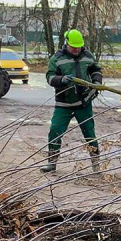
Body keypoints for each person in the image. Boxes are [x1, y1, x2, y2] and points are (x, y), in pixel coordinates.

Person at [41, 29, 103, 173]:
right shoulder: (57, 58)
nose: (76, 49)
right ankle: (52, 163)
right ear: (67, 43)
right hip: (64, 104)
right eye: (73, 47)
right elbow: (50, 77)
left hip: (84, 103)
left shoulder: (88, 56)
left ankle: (96, 165)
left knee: (89, 133)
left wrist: (96, 82)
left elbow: (96, 70)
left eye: (79, 46)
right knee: (55, 131)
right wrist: (61, 80)